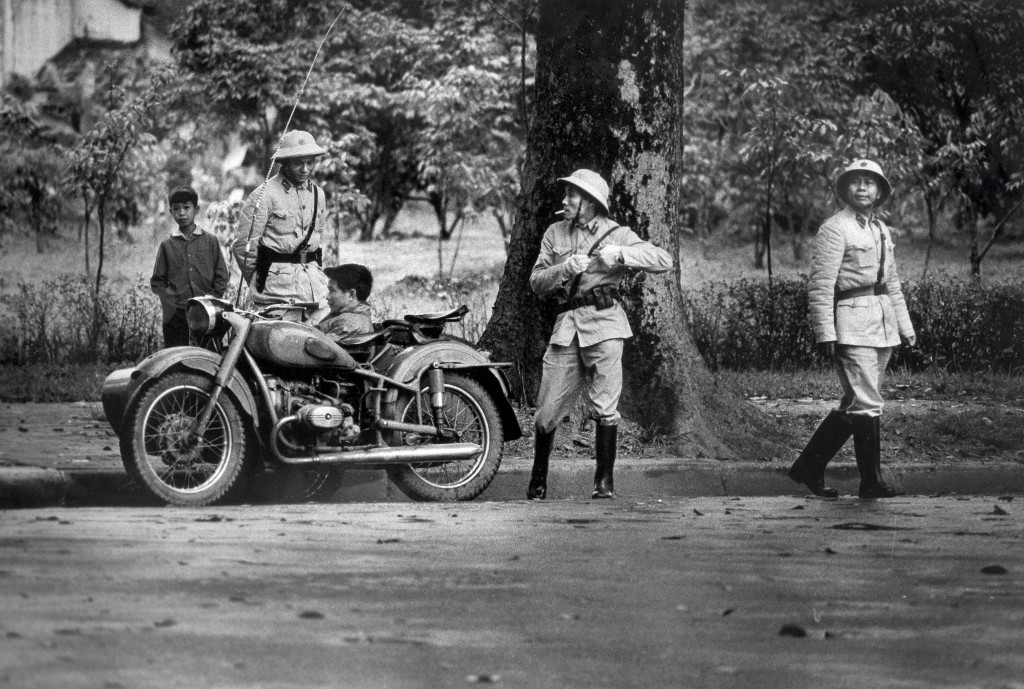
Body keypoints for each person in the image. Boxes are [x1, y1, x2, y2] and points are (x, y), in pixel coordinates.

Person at [527, 169, 672, 500]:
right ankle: (538, 480)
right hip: (566, 327)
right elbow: (536, 283)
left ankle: (603, 482)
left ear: (591, 202)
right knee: (547, 409)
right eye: (566, 195)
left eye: (572, 197)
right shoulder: (554, 233)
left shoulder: (616, 234)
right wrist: (564, 270)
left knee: (605, 407)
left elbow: (663, 260)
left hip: (605, 325)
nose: (565, 201)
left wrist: (620, 255)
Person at [788, 159, 916, 499]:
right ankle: (870, 482)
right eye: (855, 182)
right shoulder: (835, 228)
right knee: (868, 400)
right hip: (851, 323)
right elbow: (821, 284)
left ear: (879, 192)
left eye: (869, 182)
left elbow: (893, 283)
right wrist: (825, 331)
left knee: (856, 402)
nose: (862, 187)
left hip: (882, 322)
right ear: (845, 189)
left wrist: (905, 324)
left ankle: (808, 468)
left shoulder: (881, 230)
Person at [232, 130, 330, 323]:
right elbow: (243, 246)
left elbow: (317, 240)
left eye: (309, 162)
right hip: (277, 295)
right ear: (285, 162)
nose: (304, 169)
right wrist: (263, 278)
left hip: (314, 291)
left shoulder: (318, 194)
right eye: (298, 163)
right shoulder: (264, 194)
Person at [150, 186, 229, 348]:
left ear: (196, 209)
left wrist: (211, 300)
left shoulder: (210, 241)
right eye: (176, 209)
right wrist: (173, 302)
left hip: (207, 312)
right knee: (177, 356)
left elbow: (221, 276)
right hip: (176, 314)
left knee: (208, 356)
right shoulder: (167, 245)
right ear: (171, 212)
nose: (182, 213)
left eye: (187, 207)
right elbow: (157, 282)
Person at [316, 263, 374, 341]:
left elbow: (315, 346)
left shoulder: (350, 324)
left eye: (332, 290)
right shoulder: (346, 317)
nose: (327, 297)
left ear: (351, 294)